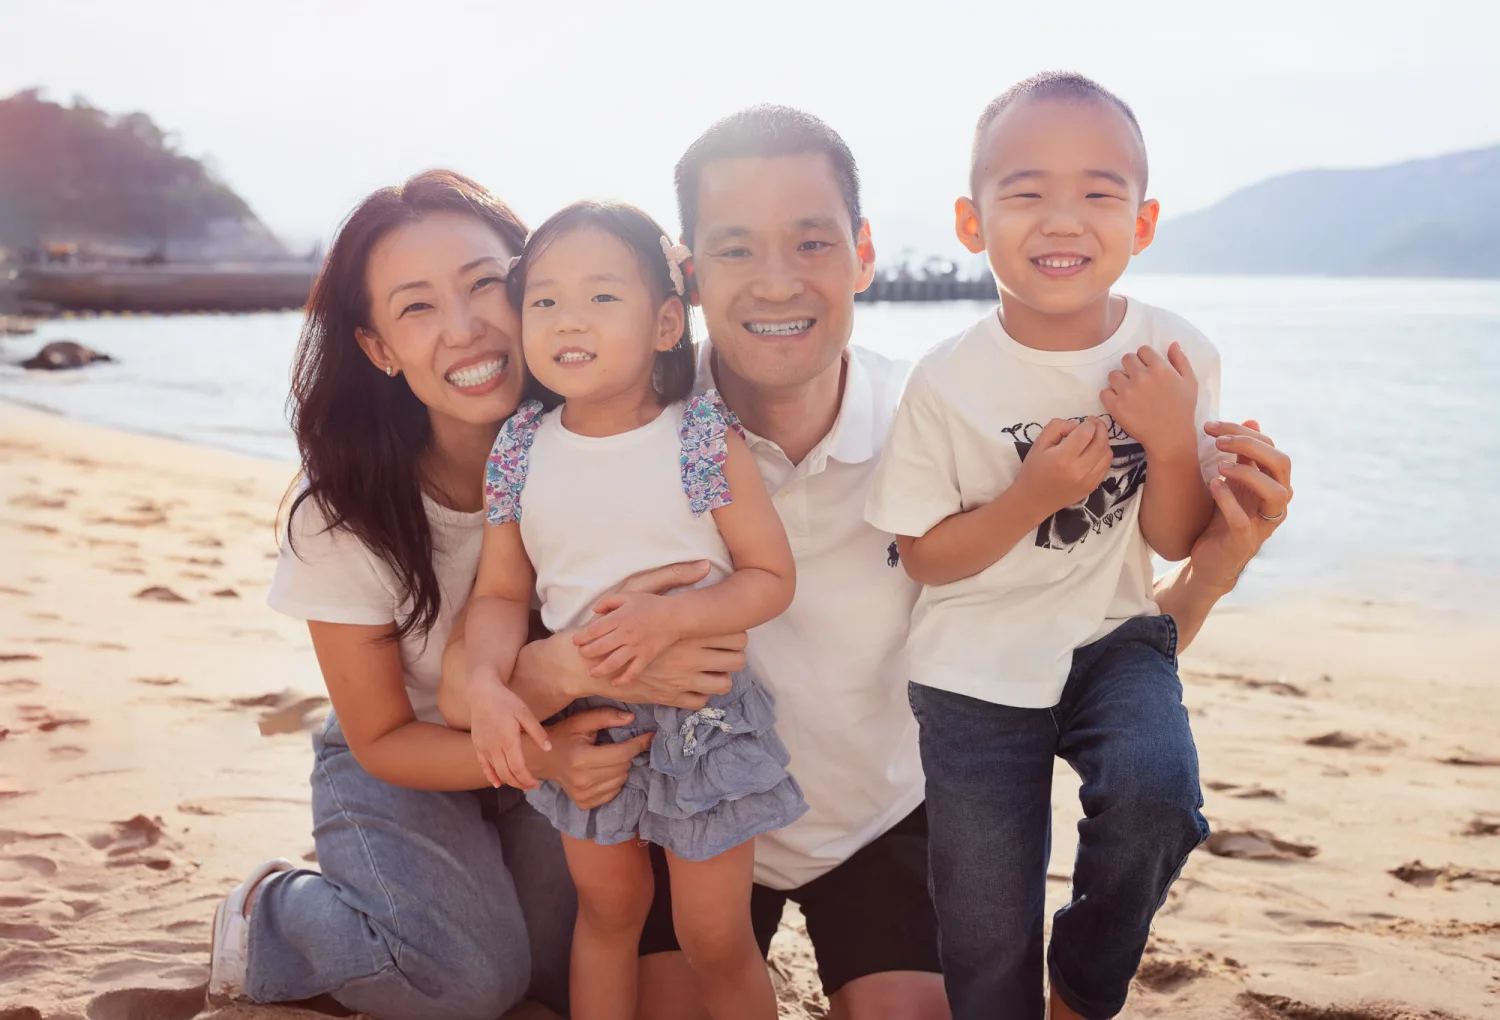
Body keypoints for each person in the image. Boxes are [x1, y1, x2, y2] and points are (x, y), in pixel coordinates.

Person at [629, 105, 1293, 1020]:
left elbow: (1079, 636)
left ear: (863, 254)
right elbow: (531, 608)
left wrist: (1217, 563)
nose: (777, 283)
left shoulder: (934, 418)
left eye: (813, 243)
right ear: (691, 276)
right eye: (737, 250)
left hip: (885, 823)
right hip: (693, 821)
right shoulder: (636, 434)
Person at [207, 171, 743, 1020]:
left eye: (485, 284)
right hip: (409, 757)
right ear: (379, 348)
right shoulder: (342, 515)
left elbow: (698, 329)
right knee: (462, 983)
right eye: (416, 308)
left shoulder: (606, 423)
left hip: (555, 731)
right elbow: (382, 734)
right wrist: (544, 755)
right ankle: (270, 915)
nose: (465, 329)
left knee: (574, 971)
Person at [864, 72, 1262, 1020]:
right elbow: (924, 557)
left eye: (1098, 192)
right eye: (1026, 192)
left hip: (1113, 635)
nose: (1062, 219)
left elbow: (1168, 539)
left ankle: (1081, 988)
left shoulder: (1177, 355)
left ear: (1143, 221)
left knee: (1157, 798)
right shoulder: (948, 380)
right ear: (972, 224)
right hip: (971, 665)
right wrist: (1031, 495)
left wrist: (1171, 440)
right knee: (983, 909)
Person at [443, 201, 806, 1020]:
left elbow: (769, 576)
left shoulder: (700, 436)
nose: (570, 318)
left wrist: (671, 620)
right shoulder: (521, 446)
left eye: (603, 297)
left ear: (667, 322)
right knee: (607, 913)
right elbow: (501, 593)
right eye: (545, 300)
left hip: (701, 714)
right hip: (585, 722)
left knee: (712, 932)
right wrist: (490, 685)